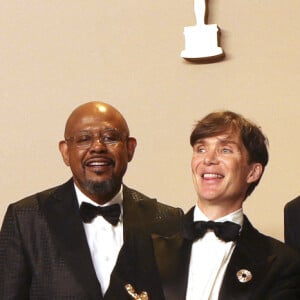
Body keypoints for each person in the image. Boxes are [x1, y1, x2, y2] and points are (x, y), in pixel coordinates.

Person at [0, 101, 183, 300]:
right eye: (84, 139)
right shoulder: (25, 219)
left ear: (130, 148)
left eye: (110, 138)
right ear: (65, 152)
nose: (97, 147)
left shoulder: (167, 221)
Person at [115, 110, 300, 299]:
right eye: (201, 149)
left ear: (252, 172)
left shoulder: (281, 264)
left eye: (225, 150)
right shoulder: (142, 246)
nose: (208, 159)